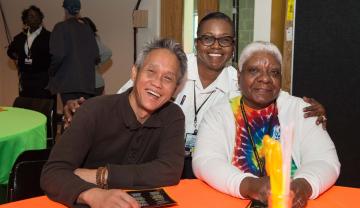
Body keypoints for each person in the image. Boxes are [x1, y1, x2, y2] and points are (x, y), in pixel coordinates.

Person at [62, 12, 327, 178]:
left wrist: (308, 109)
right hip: (158, 162)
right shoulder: (170, 70)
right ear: (197, 42)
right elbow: (124, 99)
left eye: (224, 40)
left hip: (209, 164)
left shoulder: (239, 82)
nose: (216, 46)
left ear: (233, 47)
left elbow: (268, 91)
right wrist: (81, 107)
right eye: (208, 39)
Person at [40, 38, 188, 208]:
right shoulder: (94, 110)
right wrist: (94, 195)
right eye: (151, 71)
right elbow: (52, 173)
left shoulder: (173, 116)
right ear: (134, 73)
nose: (157, 83)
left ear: (175, 89)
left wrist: (101, 176)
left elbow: (169, 171)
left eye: (168, 78)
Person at [192, 41, 340, 208]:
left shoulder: (302, 111)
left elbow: (325, 160)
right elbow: (205, 160)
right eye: (254, 70)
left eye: (274, 72)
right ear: (239, 76)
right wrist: (249, 185)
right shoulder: (218, 113)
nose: (265, 78)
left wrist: (303, 185)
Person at [47, 0, 99, 105]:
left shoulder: (60, 27)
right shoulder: (87, 28)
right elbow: (96, 56)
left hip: (68, 84)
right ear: (78, 10)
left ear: (65, 10)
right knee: (83, 118)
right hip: (86, 85)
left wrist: (51, 71)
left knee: (70, 116)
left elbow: (58, 55)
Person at [7, 5, 56, 105]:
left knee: (42, 109)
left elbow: (55, 56)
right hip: (25, 80)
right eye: (31, 16)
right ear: (25, 20)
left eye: (37, 15)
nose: (34, 18)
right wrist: (19, 57)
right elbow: (10, 51)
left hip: (43, 80)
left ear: (41, 18)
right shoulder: (20, 37)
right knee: (26, 109)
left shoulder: (49, 37)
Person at [81, 16, 112, 96]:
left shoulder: (90, 38)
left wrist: (94, 64)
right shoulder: (89, 38)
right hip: (93, 84)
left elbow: (107, 52)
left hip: (92, 85)